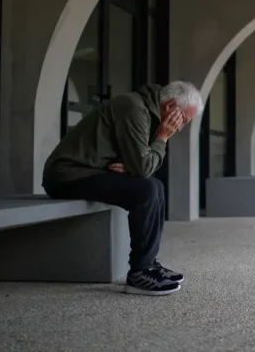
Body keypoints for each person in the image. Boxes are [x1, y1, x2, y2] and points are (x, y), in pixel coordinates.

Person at [42, 81, 204, 296]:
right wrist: (162, 137)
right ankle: (140, 272)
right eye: (183, 119)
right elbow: (144, 166)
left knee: (155, 186)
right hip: (67, 175)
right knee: (146, 191)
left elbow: (142, 165)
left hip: (92, 171)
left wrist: (134, 165)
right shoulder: (134, 108)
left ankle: (149, 264)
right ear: (171, 106)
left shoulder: (147, 111)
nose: (180, 127)